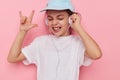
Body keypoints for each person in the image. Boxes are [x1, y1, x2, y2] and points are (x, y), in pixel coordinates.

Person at [7, 0, 102, 80]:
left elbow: (96, 54)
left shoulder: (76, 44)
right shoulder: (40, 43)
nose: (54, 23)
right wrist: (22, 32)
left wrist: (78, 27)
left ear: (70, 19)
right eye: (50, 19)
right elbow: (13, 58)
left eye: (60, 18)